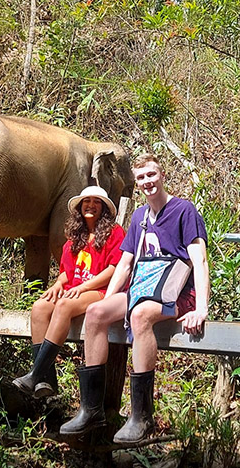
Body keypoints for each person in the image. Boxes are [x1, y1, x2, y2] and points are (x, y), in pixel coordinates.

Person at [60, 154, 210, 443]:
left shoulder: (184, 210)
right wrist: (108, 299)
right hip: (143, 288)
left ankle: (141, 416)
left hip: (179, 292)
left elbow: (199, 260)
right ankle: (91, 408)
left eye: (152, 175)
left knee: (140, 315)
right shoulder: (140, 217)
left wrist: (201, 308)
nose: (147, 182)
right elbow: (126, 264)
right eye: (141, 178)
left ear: (162, 175)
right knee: (95, 313)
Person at [13, 185, 127, 398]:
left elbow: (115, 269)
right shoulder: (76, 235)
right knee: (39, 307)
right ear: (80, 207)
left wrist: (83, 287)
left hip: (103, 290)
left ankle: (35, 374)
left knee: (64, 305)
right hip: (76, 289)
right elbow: (68, 271)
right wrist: (57, 284)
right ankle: (46, 381)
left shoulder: (115, 233)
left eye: (96, 202)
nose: (90, 205)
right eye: (86, 201)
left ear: (103, 208)